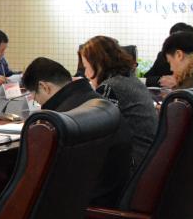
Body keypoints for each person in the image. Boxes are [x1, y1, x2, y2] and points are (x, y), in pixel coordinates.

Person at [22, 57, 130, 209]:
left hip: (86, 208)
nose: (38, 104)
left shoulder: (62, 119)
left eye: (35, 97)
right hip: (113, 195)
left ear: (44, 87)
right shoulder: (93, 100)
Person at [79, 36, 157, 172]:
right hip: (148, 160)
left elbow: (98, 132)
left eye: (86, 67)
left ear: (98, 64)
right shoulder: (131, 80)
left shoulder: (110, 86)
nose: (85, 74)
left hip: (132, 165)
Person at [144, 22, 193, 87]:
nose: (171, 69)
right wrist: (161, 80)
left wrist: (180, 82)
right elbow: (146, 78)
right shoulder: (163, 57)